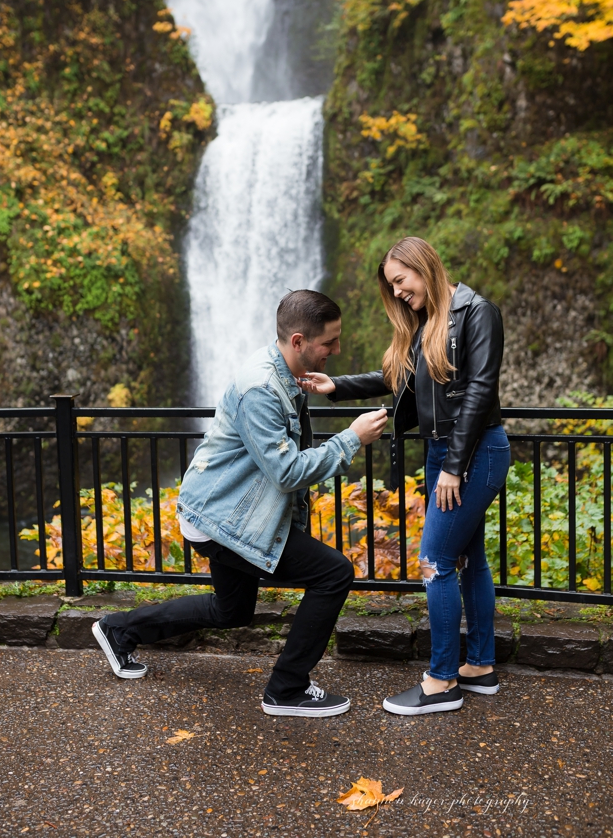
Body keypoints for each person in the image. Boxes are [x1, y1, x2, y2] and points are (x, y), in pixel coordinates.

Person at [91, 290, 389, 717]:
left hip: (225, 510)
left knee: (231, 610)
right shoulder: (262, 389)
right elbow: (285, 472)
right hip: (220, 519)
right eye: (330, 342)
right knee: (333, 573)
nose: (337, 350)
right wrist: (350, 439)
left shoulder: (285, 373)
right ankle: (287, 689)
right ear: (299, 341)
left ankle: (118, 629)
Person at [300, 237, 507, 715]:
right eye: (391, 285)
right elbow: (399, 377)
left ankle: (441, 681)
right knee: (469, 558)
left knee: (435, 561)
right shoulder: (426, 323)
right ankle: (479, 665)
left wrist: (454, 466)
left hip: (473, 452)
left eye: (400, 280)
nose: (396, 292)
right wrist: (336, 386)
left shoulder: (477, 312)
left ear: (423, 266)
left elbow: (480, 391)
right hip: (443, 452)